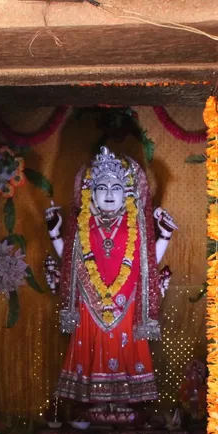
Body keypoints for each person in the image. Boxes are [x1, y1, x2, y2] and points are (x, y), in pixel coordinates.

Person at [45, 146, 177, 406]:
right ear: (90, 194)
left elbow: (148, 262)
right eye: (101, 188)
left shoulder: (134, 224)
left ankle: (123, 404)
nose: (108, 194)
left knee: (126, 350)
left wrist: (165, 235)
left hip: (125, 299)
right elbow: (72, 263)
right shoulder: (84, 223)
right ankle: (94, 405)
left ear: (126, 193)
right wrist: (54, 233)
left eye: (115, 188)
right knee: (91, 351)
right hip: (89, 300)